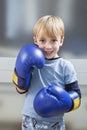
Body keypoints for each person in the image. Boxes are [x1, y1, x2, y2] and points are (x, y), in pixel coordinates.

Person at [12, 15, 81, 130]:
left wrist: (64, 103)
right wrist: (22, 72)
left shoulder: (65, 66)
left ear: (61, 40)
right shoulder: (31, 62)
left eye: (53, 40)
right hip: (29, 120)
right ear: (35, 40)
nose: (48, 46)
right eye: (42, 40)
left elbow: (77, 97)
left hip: (55, 123)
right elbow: (20, 90)